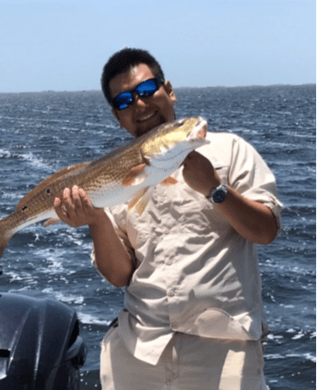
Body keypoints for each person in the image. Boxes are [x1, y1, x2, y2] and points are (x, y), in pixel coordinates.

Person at [53, 48, 283, 390]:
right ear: (117, 118)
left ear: (169, 90)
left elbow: (266, 231)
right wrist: (96, 221)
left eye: (147, 91)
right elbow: (120, 275)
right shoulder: (116, 179)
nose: (140, 105)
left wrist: (214, 189)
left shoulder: (230, 150)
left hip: (225, 352)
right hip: (138, 351)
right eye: (124, 101)